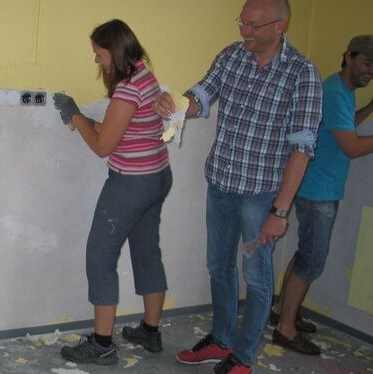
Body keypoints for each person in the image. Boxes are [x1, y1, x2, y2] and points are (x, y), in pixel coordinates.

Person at [154, 0, 322, 372]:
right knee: (218, 266)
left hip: (261, 197)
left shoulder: (301, 73)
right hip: (222, 184)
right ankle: (221, 339)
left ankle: (243, 357)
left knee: (257, 277)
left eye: (254, 26)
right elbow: (203, 94)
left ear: (281, 26)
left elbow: (302, 149)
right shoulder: (233, 56)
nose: (244, 31)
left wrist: (280, 211)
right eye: (242, 22)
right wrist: (178, 107)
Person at [53, 19, 172, 366]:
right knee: (148, 252)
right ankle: (150, 331)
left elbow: (104, 146)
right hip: (156, 176)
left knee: (99, 257)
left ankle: (102, 344)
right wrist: (85, 121)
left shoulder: (127, 89)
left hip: (132, 183)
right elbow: (120, 130)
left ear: (116, 52)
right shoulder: (144, 76)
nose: (96, 61)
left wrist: (76, 118)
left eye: (99, 54)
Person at [270, 34, 373, 355]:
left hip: (316, 185)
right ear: (349, 55)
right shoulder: (334, 91)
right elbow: (352, 146)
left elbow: (342, 127)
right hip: (318, 191)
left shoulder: (339, 89)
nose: (371, 71)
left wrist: (369, 108)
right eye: (367, 63)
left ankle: (280, 313)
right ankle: (286, 329)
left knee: (305, 256)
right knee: (312, 261)